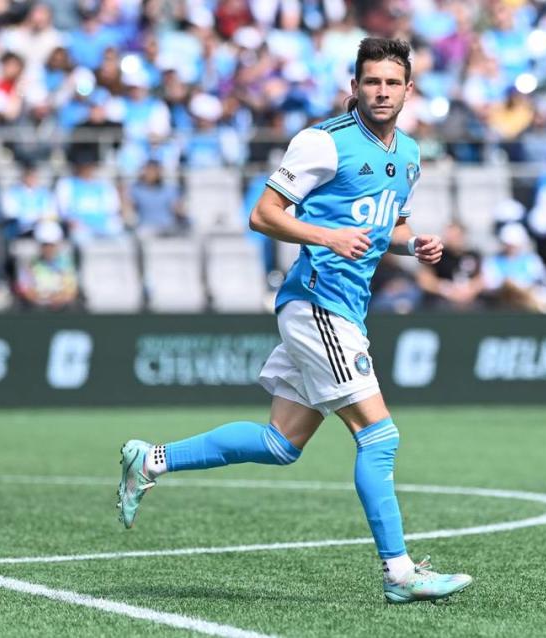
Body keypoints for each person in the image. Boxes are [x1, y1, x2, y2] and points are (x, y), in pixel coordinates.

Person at [116, 37, 473, 604]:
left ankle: (151, 458)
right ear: (353, 87)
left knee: (281, 442)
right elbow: (263, 215)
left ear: (409, 90)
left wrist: (414, 245)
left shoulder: (407, 154)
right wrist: (326, 235)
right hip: (317, 302)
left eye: (392, 82)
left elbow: (387, 228)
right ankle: (400, 574)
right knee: (379, 436)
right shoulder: (322, 142)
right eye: (371, 82)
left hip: (344, 306)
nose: (381, 91)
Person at [13, 221, 79, 311]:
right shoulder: (30, 265)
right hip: (36, 310)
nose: (48, 248)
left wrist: (57, 299)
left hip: (62, 310)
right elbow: (26, 290)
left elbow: (70, 291)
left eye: (51, 245)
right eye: (45, 245)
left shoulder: (66, 265)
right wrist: (42, 299)